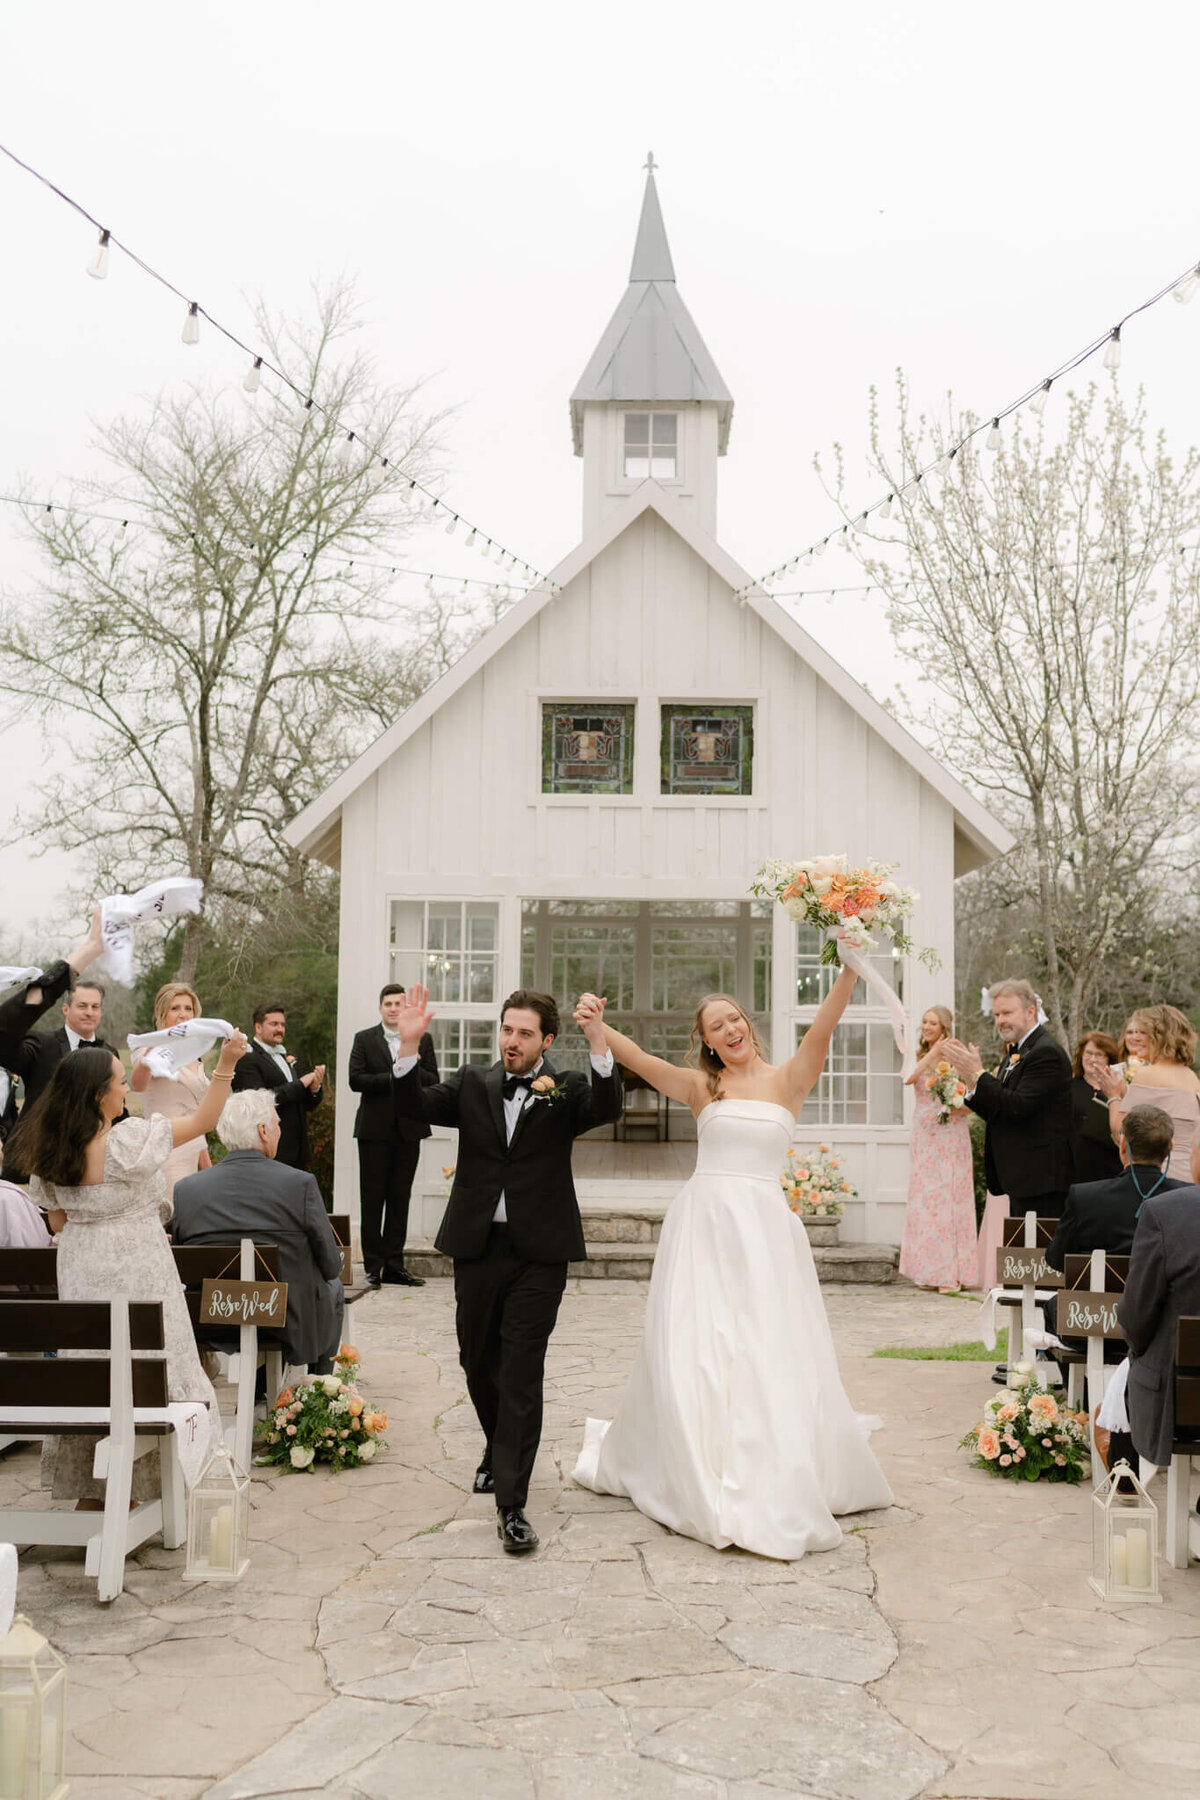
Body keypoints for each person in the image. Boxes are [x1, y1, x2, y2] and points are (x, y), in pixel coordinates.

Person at [570, 971, 894, 1562]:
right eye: (716, 1026)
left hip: (766, 1231)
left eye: (735, 1019)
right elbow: (639, 1060)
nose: (730, 1029)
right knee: (700, 1346)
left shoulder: (789, 1081)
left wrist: (848, 967)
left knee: (764, 1345)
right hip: (704, 1227)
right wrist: (597, 1027)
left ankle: (768, 1455)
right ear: (708, 1042)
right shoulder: (703, 1089)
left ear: (748, 1025)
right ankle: (698, 1456)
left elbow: (823, 1029)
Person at [391, 985, 621, 1556]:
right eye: (507, 1030)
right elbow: (411, 1106)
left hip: (540, 1250)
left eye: (524, 1033)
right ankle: (499, 1448)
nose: (512, 1041)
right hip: (477, 1246)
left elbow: (608, 1106)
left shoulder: (565, 1088)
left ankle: (511, 1505)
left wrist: (598, 1039)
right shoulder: (473, 1082)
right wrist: (409, 1045)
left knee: (521, 1367)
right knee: (477, 1359)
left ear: (546, 1040)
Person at [3, 1030, 248, 1504]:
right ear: (99, 1094)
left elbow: (57, 1220)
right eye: (120, 1081)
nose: (126, 1088)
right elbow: (204, 1118)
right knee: (158, 1370)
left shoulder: (52, 1156)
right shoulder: (131, 1141)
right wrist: (227, 1063)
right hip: (145, 1271)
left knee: (96, 1369)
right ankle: (157, 1486)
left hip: (80, 1270)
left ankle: (95, 1491)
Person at [172, 1090, 345, 1373]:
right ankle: (316, 1388)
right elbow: (329, 1266)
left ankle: (260, 1392)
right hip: (284, 1323)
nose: (279, 1132)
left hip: (215, 1318)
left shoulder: (187, 1190)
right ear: (263, 1131)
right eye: (277, 1125)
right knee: (333, 1287)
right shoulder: (299, 1184)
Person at [1044, 1104, 1184, 1339]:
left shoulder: (1085, 1196)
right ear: (1169, 1149)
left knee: (1054, 1307)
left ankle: (1078, 1378)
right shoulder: (1187, 1199)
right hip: (1160, 1328)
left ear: (1122, 1145)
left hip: (1092, 1323)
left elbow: (1056, 1260)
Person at [943, 978, 1073, 1218]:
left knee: (1038, 1254)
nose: (1000, 1021)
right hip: (1021, 1177)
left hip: (1041, 1179)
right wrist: (972, 1083)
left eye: (1007, 1013)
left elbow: (1017, 1107)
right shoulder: (1015, 1052)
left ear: (1030, 1012)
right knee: (1022, 1252)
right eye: (996, 1015)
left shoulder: (1046, 1052)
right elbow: (999, 1108)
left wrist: (978, 1074)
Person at [1117, 1134, 1200, 1471]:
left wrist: (1136, 1352)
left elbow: (1136, 1316)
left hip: (1182, 1403)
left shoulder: (1166, 1212)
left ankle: (1123, 1474)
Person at [348, 984, 439, 1290]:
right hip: (373, 1131)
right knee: (372, 1200)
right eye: (387, 1003)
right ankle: (373, 1267)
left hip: (409, 1130)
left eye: (398, 1003)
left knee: (400, 1200)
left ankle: (395, 1266)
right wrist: (395, 1076)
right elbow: (355, 1079)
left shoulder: (422, 1039)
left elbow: (432, 1079)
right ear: (380, 1008)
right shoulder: (364, 1039)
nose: (392, 1008)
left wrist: (407, 1064)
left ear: (404, 1007)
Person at [0, 909, 110, 1132]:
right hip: (32, 1160)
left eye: (95, 1006)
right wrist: (85, 954)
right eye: (82, 1005)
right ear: (65, 1008)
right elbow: (3, 1032)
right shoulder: (40, 1045)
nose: (89, 1012)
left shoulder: (109, 1054)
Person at [899, 1005, 977, 1292]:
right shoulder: (918, 1054)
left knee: (948, 1198)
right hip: (924, 1134)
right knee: (927, 1200)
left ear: (944, 1026)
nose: (927, 1027)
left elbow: (973, 1086)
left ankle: (952, 1274)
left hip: (949, 1133)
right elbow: (908, 1078)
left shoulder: (954, 1050)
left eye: (932, 1022)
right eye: (924, 1022)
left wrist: (959, 1106)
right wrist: (931, 1055)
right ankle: (930, 1271)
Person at [1096, 1004, 1200, 1183]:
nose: (1137, 1040)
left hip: (1160, 1179)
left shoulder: (1147, 1074)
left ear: (1160, 1037)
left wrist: (1113, 1095)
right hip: (1188, 1177)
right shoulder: (1191, 1077)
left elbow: (1121, 1132)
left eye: (1144, 1034)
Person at [129, 981, 214, 1195]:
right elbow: (138, 1084)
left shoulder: (196, 1056)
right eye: (175, 1008)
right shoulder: (149, 1049)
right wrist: (153, 1050)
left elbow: (197, 1119)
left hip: (194, 1153)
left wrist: (208, 1169)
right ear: (162, 1013)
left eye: (188, 1008)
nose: (183, 1014)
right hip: (165, 1152)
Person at [231, 1003, 326, 1173]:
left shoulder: (288, 1058)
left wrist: (314, 1088)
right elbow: (258, 1101)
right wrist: (301, 1083)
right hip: (269, 1151)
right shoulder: (246, 1059)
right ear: (258, 1027)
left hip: (298, 1151)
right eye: (274, 1024)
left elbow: (305, 1104)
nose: (280, 1029)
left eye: (282, 1025)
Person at [1067, 1031, 1123, 1184]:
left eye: (1099, 1055)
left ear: (1109, 1059)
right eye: (1088, 1053)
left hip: (1112, 1171)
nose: (1092, 1059)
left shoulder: (1120, 1089)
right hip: (1076, 1171)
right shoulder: (1067, 1088)